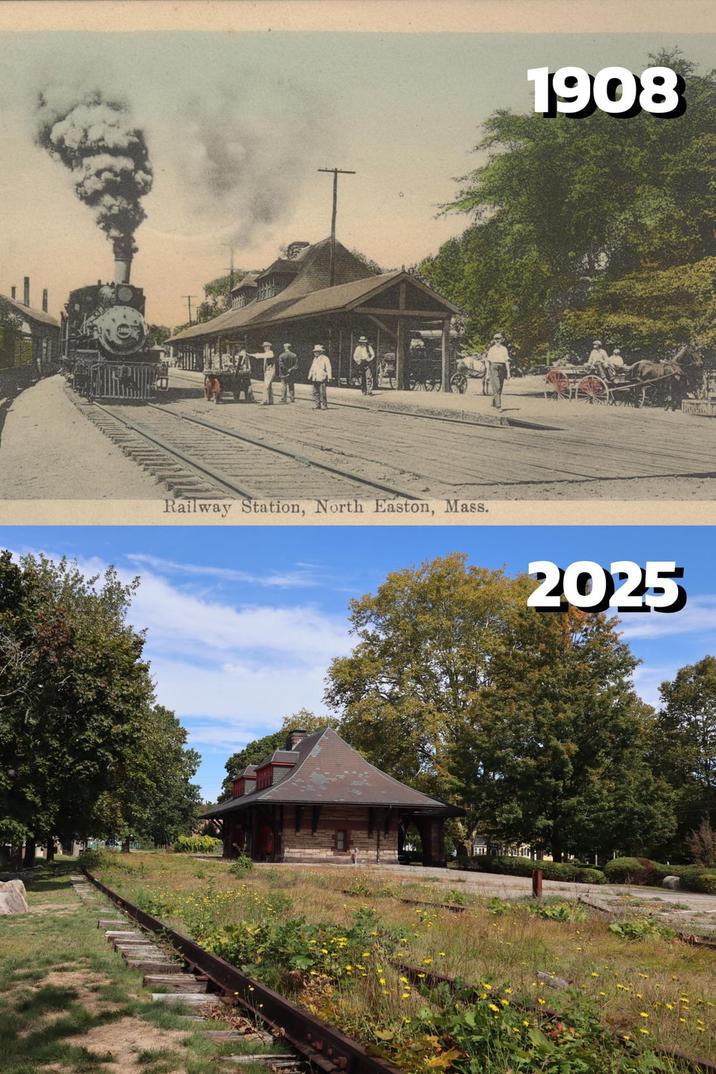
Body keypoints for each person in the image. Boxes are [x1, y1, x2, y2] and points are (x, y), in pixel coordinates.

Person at [485, 332, 510, 409]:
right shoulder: (491, 349)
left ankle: (494, 402)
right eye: (496, 339)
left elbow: (506, 361)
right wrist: (487, 374)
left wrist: (508, 373)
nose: (497, 340)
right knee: (497, 386)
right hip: (494, 367)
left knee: (500, 387)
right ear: (494, 340)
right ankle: (498, 406)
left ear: (501, 340)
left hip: (502, 368)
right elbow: (488, 362)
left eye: (499, 339)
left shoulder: (504, 349)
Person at [308, 344, 332, 409]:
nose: (315, 353)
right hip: (315, 377)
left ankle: (324, 405)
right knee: (315, 391)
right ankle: (317, 404)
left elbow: (328, 368)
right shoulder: (315, 359)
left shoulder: (325, 358)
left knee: (322, 392)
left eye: (316, 351)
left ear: (320, 352)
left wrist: (329, 377)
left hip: (322, 377)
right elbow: (312, 367)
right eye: (314, 351)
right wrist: (309, 375)